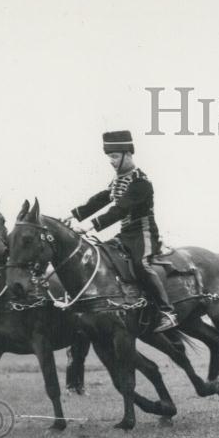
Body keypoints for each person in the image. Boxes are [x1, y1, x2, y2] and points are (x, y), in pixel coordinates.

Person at [63, 130, 178, 333]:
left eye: (115, 156)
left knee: (140, 264)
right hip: (126, 233)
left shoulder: (141, 183)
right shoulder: (118, 181)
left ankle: (167, 311)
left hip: (144, 233)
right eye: (110, 157)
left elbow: (120, 209)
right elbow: (101, 199)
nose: (111, 161)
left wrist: (90, 225)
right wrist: (73, 215)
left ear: (128, 154)